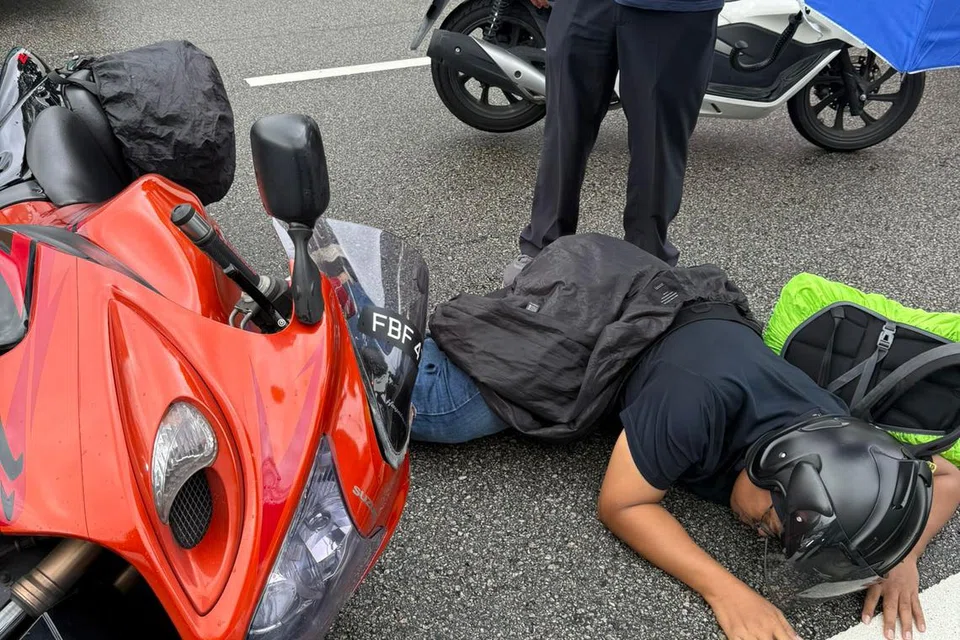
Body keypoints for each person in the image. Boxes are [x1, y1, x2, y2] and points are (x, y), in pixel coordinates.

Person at [411, 246, 960, 640]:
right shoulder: (694, 401)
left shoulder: (838, 435)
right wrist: (727, 591)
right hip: (603, 306)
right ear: (778, 468)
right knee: (437, 412)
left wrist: (898, 550)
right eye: (775, 526)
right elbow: (622, 504)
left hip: (671, 303)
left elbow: (947, 476)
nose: (764, 536)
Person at [504, 0, 722, 287]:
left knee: (657, 145)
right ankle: (543, 251)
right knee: (563, 129)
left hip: (673, 10)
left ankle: (647, 265)